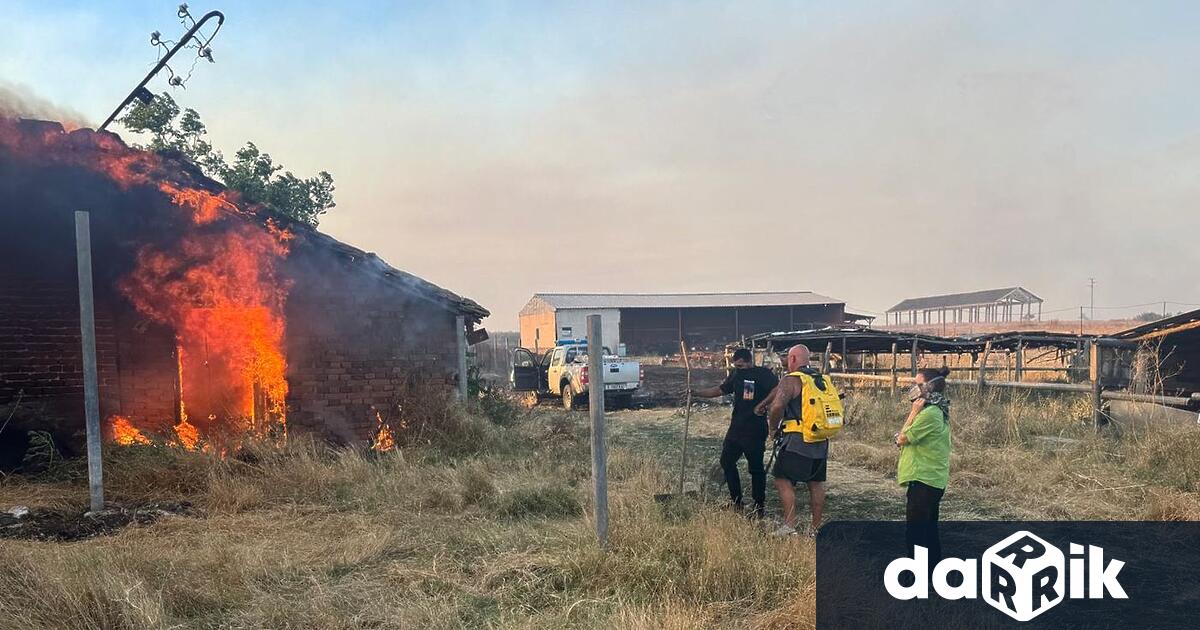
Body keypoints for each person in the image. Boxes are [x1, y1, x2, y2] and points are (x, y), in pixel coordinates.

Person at [691, 347, 778, 517]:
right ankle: (736, 501)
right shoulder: (735, 375)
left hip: (755, 429)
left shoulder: (763, 374)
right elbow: (720, 390)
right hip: (737, 428)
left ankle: (759, 506)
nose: (738, 369)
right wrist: (696, 393)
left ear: (749, 362)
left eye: (740, 366)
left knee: (756, 469)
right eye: (735, 366)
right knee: (727, 462)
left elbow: (777, 390)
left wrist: (762, 405)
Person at [760, 345, 827, 536]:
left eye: (788, 359)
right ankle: (816, 529)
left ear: (793, 359)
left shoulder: (792, 380)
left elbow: (777, 406)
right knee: (816, 482)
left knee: (782, 479)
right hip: (821, 441)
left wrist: (773, 428)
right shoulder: (820, 379)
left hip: (798, 441)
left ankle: (789, 526)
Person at [894, 366, 952, 565]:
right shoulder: (938, 409)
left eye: (918, 384)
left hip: (924, 478)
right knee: (928, 529)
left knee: (917, 532)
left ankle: (917, 575)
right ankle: (933, 571)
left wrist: (913, 412)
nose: (914, 388)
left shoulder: (929, 414)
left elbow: (902, 438)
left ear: (929, 387)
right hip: (931, 478)